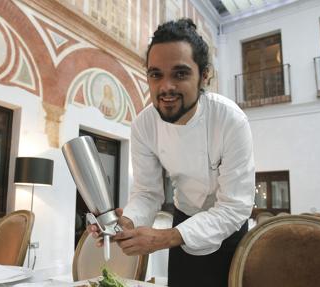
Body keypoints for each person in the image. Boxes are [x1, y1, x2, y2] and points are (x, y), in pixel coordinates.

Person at [89, 18, 255, 286]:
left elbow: (235, 207)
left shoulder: (229, 120)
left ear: (204, 75)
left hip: (229, 232)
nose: (166, 87)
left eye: (180, 74)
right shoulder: (144, 125)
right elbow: (147, 193)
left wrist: (165, 238)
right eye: (156, 74)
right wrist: (128, 223)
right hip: (184, 218)